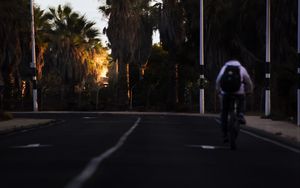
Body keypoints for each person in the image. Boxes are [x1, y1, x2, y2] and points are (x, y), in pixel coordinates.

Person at [216, 59, 253, 143]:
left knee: (224, 112)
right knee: (242, 98)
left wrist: (218, 90)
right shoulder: (241, 68)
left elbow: (218, 80)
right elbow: (248, 80)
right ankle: (240, 114)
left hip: (226, 92)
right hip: (239, 91)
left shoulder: (224, 68)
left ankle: (224, 134)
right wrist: (250, 90)